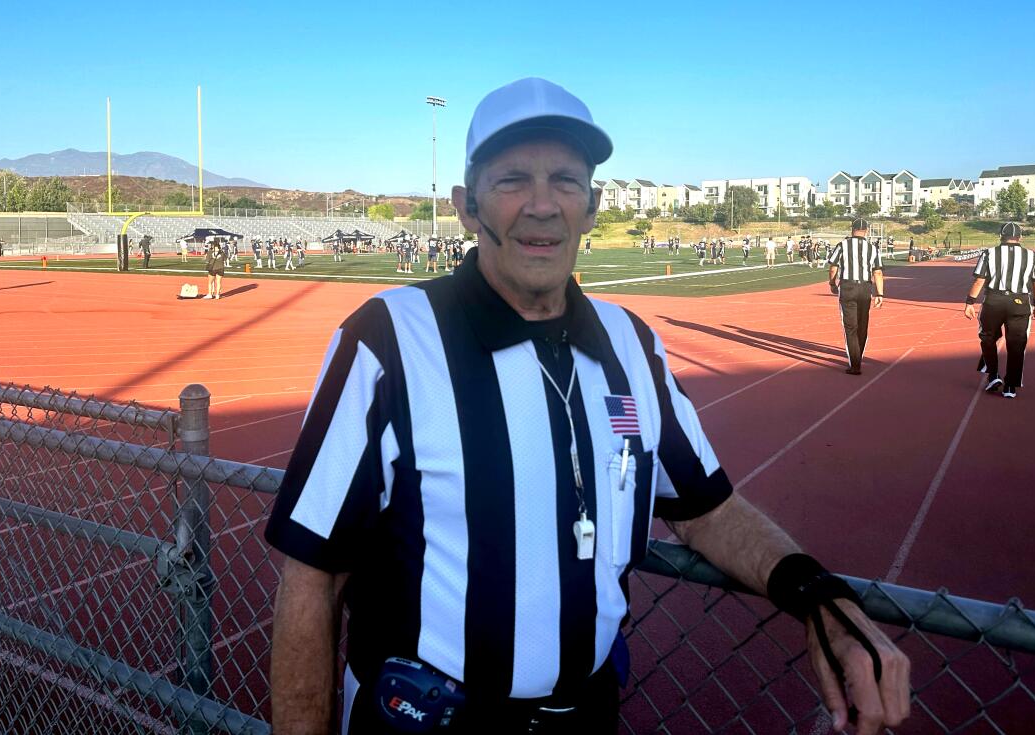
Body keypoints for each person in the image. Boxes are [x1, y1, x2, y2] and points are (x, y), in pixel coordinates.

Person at [265, 77, 909, 735]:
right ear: (467, 205)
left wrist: (818, 596)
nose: (543, 206)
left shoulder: (633, 344)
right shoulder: (388, 340)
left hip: (587, 715)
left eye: (567, 180)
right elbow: (314, 574)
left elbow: (706, 509)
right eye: (513, 178)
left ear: (594, 204)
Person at [965, 222, 1035, 399]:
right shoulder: (1031, 256)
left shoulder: (989, 253)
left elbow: (979, 280)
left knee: (987, 337)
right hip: (1020, 301)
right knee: (1017, 344)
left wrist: (970, 302)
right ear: (1020, 237)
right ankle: (1010, 386)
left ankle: (993, 375)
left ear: (1000, 235)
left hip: (994, 300)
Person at [827, 218, 885, 375]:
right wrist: (880, 293)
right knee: (862, 323)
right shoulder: (872, 248)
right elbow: (878, 272)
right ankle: (858, 355)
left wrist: (832, 283)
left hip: (848, 286)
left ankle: (855, 363)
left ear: (851, 229)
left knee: (850, 327)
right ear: (866, 230)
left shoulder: (842, 245)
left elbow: (833, 267)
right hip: (865, 288)